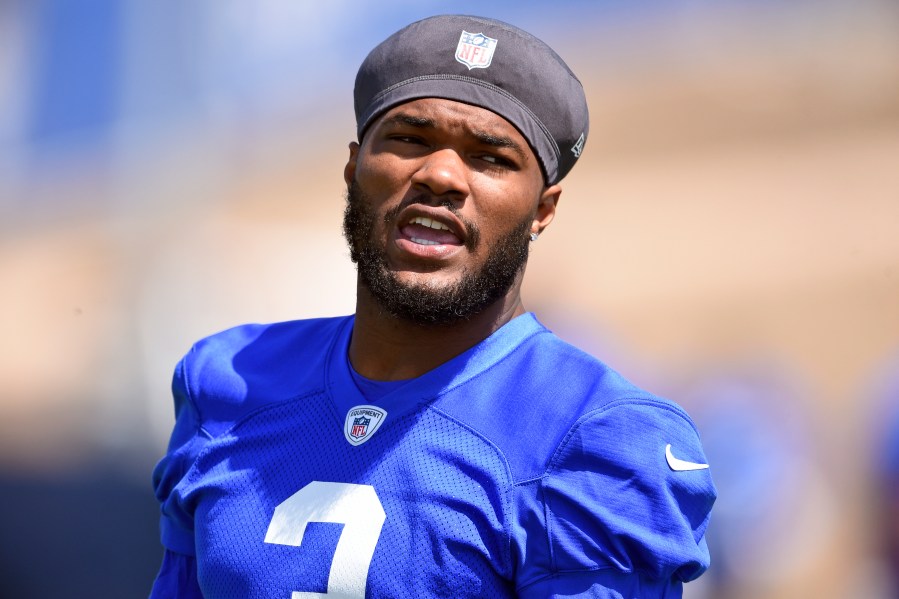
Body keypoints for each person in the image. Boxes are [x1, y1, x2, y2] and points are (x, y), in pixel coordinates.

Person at [150, 14, 716, 598]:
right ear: (353, 168)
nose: (441, 174)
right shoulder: (232, 380)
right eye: (410, 139)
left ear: (542, 211)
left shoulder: (595, 436)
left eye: (491, 157)